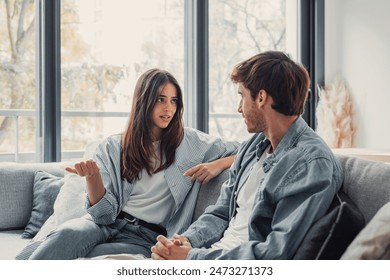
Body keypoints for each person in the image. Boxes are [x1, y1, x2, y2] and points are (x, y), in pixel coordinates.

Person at [16, 68, 239, 260]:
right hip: (104, 223)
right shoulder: (112, 147)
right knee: (67, 235)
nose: (169, 108)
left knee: (92, 256)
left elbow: (247, 149)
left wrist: (219, 164)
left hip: (146, 236)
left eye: (174, 101)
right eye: (160, 99)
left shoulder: (191, 143)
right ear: (144, 100)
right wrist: (93, 179)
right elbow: (103, 216)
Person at [151, 51, 344, 260]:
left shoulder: (312, 163)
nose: (238, 108)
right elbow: (222, 211)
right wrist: (185, 242)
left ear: (261, 97)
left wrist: (191, 259)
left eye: (242, 96)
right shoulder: (253, 147)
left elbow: (275, 253)